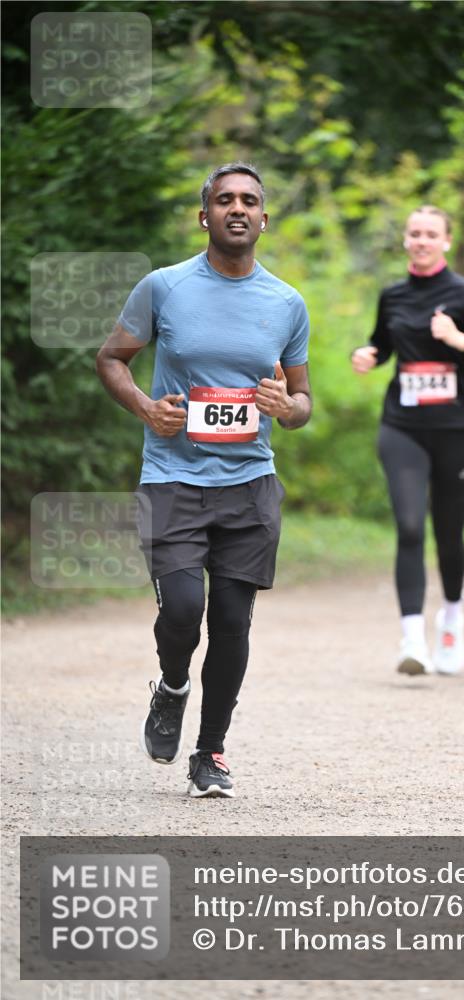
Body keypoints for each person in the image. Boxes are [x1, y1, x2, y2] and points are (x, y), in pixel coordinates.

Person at [96, 162, 311, 797]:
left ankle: (210, 751)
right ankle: (171, 686)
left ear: (264, 219)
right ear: (205, 215)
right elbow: (111, 359)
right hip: (173, 479)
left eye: (249, 201)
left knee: (234, 622)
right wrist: (144, 407)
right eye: (224, 200)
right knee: (185, 610)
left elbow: (302, 403)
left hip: (250, 482)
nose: (237, 209)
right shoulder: (164, 287)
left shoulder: (286, 303)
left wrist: (285, 407)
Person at [351, 205, 464, 676]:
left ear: (445, 241)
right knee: (409, 528)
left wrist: (461, 341)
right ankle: (411, 639)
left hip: (458, 431)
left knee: (448, 534)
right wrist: (369, 354)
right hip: (402, 426)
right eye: (414, 233)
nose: (421, 240)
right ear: (405, 240)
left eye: (430, 234)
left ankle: (452, 619)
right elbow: (383, 343)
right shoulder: (393, 295)